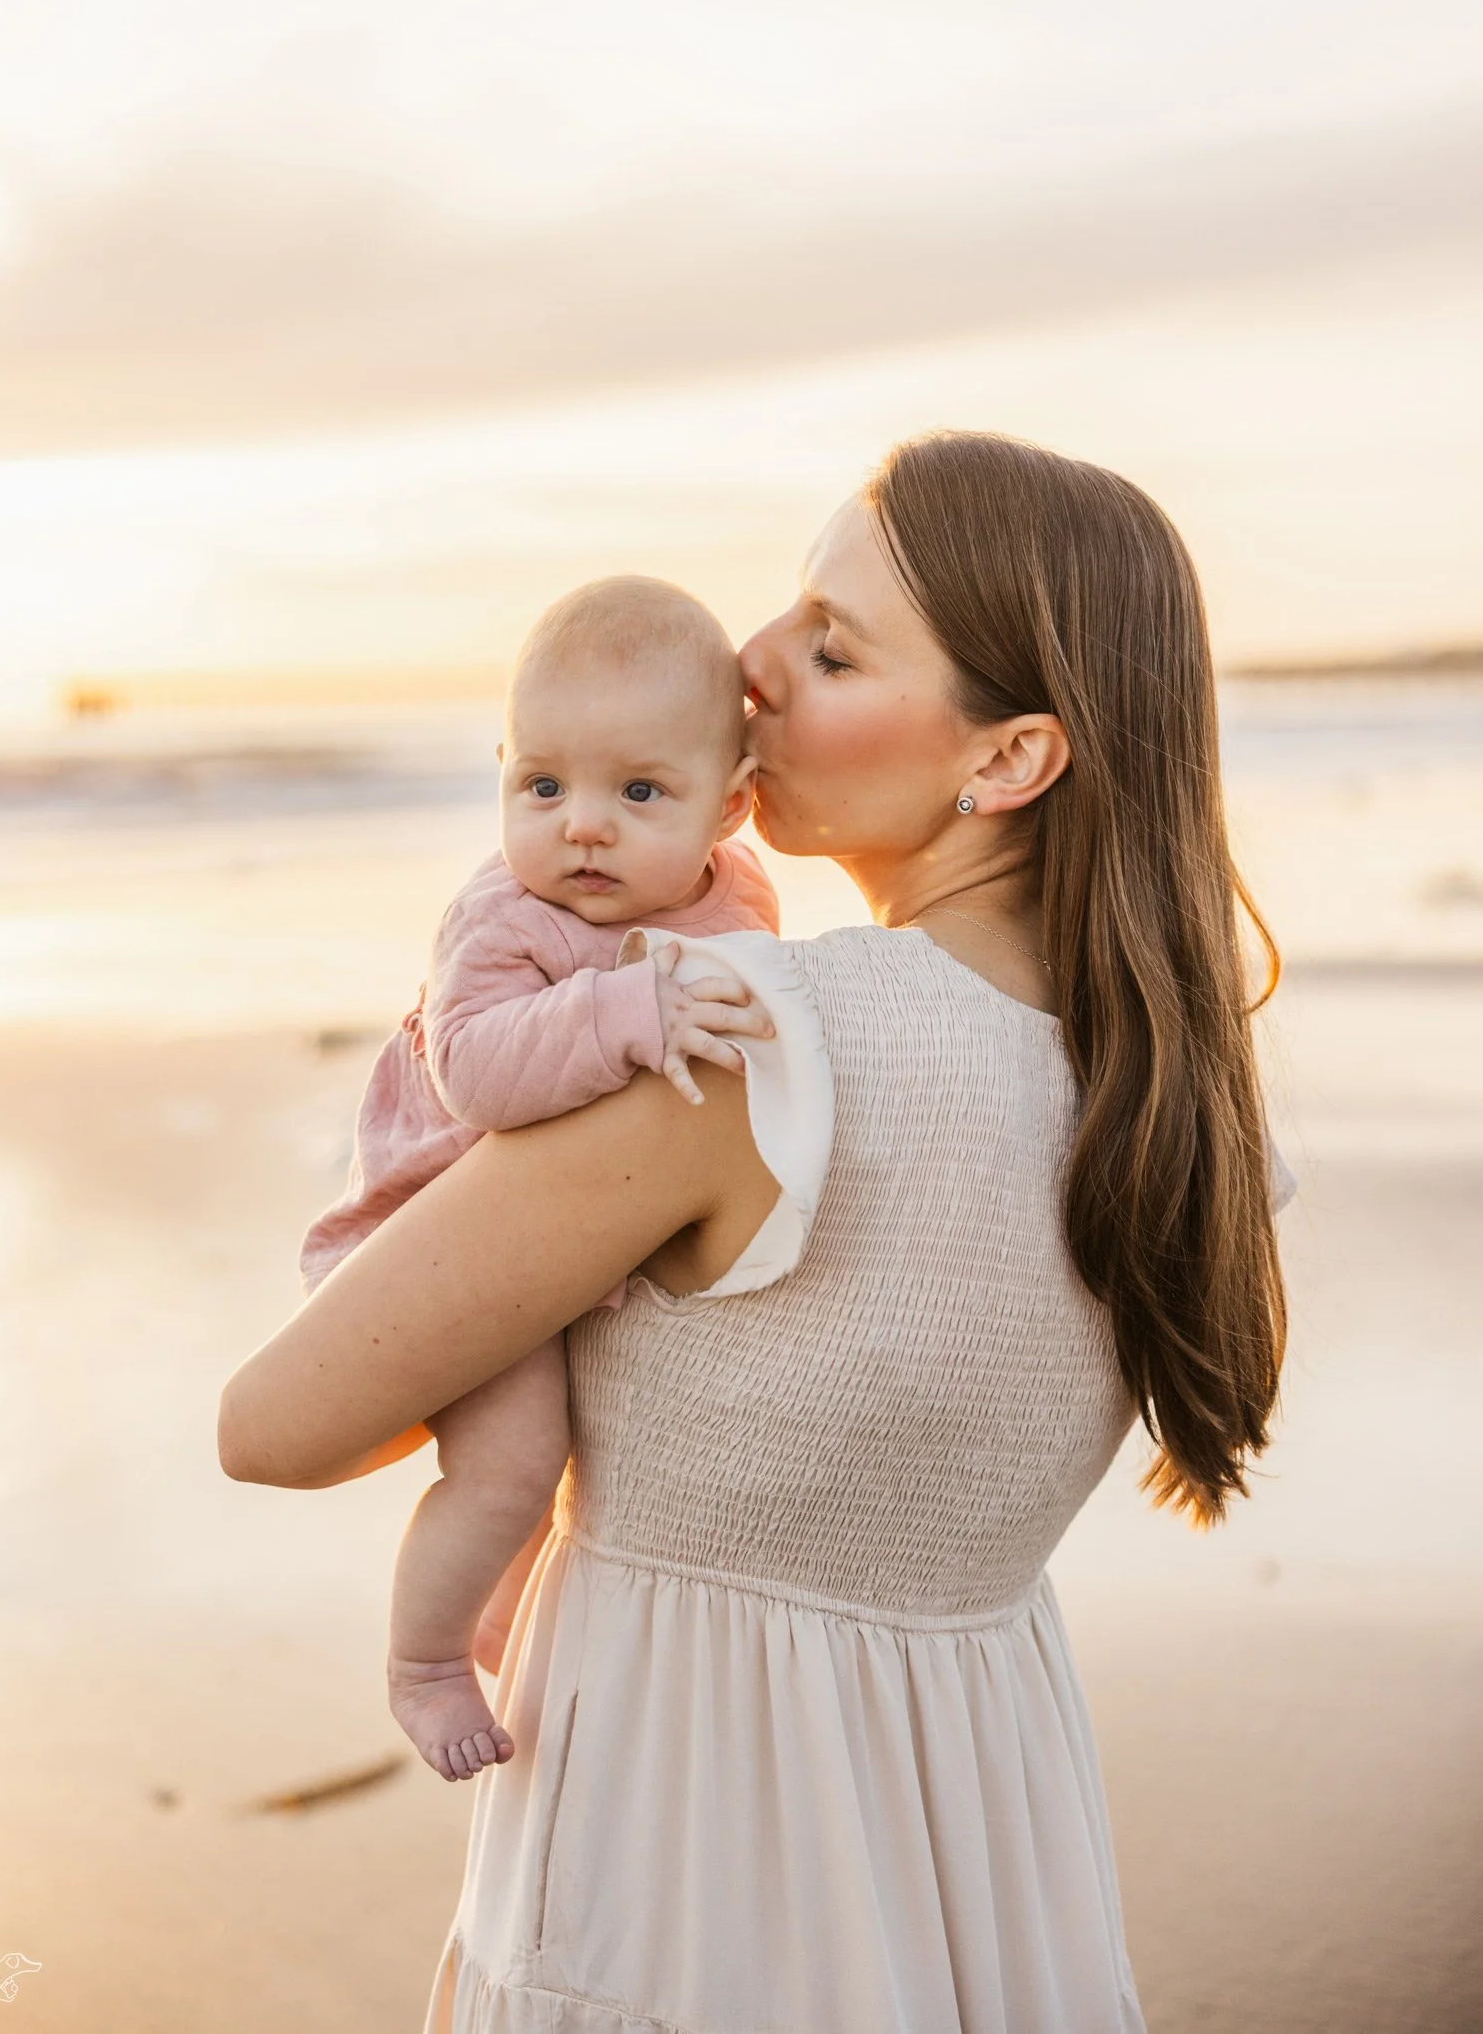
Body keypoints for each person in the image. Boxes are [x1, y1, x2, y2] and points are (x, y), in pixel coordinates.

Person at [220, 429, 1292, 2034]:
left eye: (833, 644)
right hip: (983, 1862)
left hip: (689, 1877)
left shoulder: (743, 1042)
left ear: (1005, 762)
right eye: (788, 616)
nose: (753, 666)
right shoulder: (1196, 1112)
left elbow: (276, 1424)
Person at [296, 575, 779, 1784]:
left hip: (580, 1241)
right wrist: (627, 1009)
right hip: (450, 1237)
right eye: (544, 785)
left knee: (585, 1468)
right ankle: (425, 1660)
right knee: (510, 1462)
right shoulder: (506, 918)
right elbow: (479, 1077)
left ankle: (518, 1628)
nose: (584, 825)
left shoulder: (744, 903)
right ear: (503, 772)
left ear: (732, 806)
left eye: (640, 791)